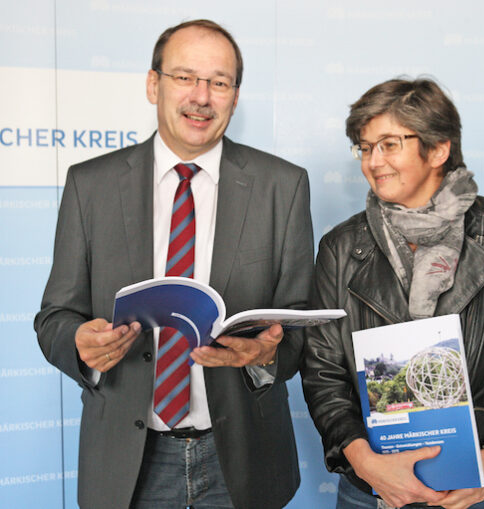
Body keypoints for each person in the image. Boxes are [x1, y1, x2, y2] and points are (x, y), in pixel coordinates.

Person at [34, 19, 313, 509]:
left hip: (244, 460)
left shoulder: (282, 186)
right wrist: (79, 345)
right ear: (153, 84)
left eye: (219, 82)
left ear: (234, 95)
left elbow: (300, 326)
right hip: (127, 463)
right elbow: (54, 317)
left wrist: (266, 355)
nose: (201, 97)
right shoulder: (90, 185)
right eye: (185, 77)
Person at [301, 77, 484, 509]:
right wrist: (366, 463)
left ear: (438, 150)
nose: (373, 161)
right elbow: (323, 374)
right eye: (364, 147)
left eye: (389, 144)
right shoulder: (341, 248)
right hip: (375, 491)